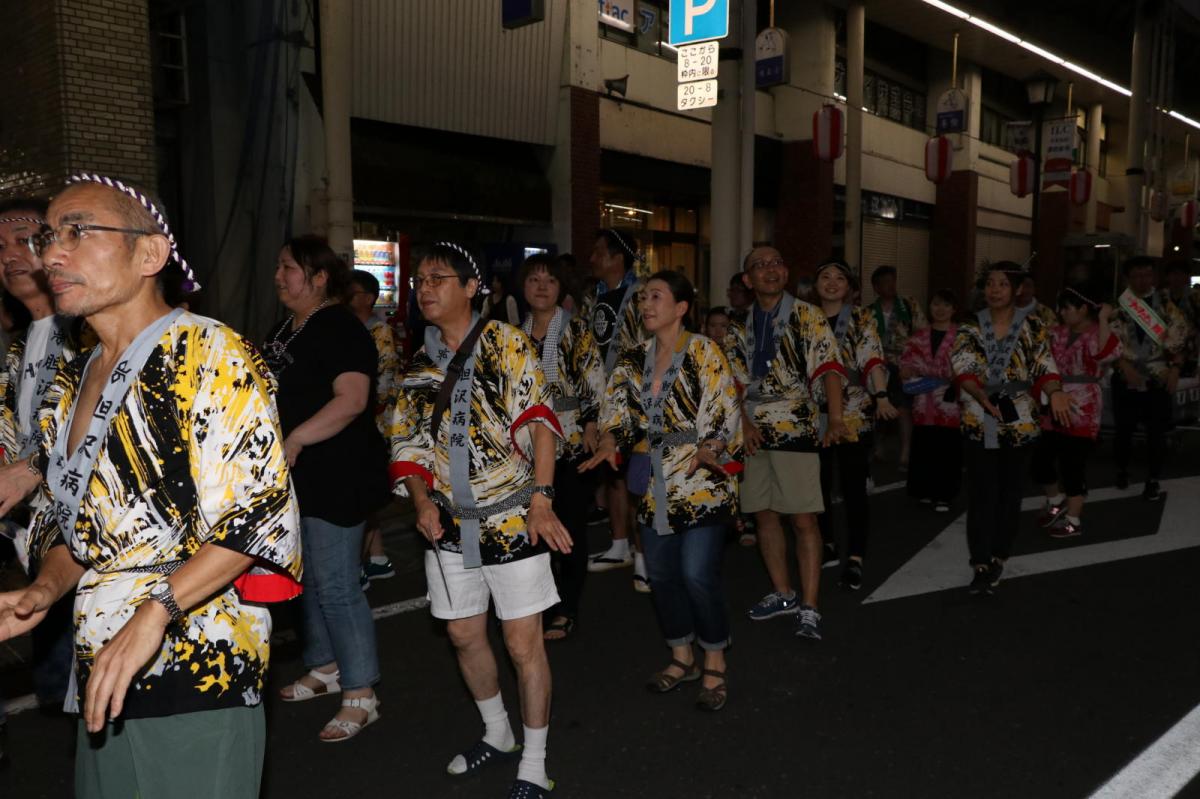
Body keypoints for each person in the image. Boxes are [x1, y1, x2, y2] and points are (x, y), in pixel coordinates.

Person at [0, 173, 302, 797]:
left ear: (149, 254)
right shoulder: (78, 377)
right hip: (104, 663)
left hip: (198, 665)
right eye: (51, 236)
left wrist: (153, 614)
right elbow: (74, 524)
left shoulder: (211, 353)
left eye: (79, 232)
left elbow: (257, 515)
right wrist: (43, 590)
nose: (51, 253)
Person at [390, 242, 571, 798]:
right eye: (419, 280)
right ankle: (498, 733)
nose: (425, 288)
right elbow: (409, 445)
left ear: (472, 288)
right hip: (448, 523)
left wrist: (542, 499)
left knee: (523, 644)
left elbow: (540, 422)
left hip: (514, 516)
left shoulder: (507, 344)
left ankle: (535, 760)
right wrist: (420, 501)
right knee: (464, 634)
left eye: (439, 278)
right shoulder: (419, 367)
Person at [582, 270, 741, 711]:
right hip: (655, 483)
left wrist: (711, 446)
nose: (646, 304)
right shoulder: (633, 359)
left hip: (702, 480)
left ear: (682, 307)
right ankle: (681, 655)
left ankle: (715, 658)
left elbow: (724, 408)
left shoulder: (704, 351)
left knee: (696, 574)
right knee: (663, 575)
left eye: (657, 296)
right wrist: (611, 440)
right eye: (643, 298)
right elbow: (616, 413)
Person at [269, 236, 387, 742]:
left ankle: (362, 693)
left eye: (289, 268)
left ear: (319, 278)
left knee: (338, 585)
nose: (279, 276)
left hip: (338, 471)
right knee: (312, 577)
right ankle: (324, 666)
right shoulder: (288, 328)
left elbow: (353, 399)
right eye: (279, 267)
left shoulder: (339, 326)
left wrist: (296, 436)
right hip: (301, 475)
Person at [727, 246, 846, 640]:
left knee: (804, 518)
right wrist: (742, 425)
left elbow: (829, 366)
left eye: (776, 262)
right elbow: (733, 387)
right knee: (763, 514)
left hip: (795, 423)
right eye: (759, 266)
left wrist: (837, 418)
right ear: (747, 280)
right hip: (753, 432)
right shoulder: (739, 326)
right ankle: (783, 593)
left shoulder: (807, 315)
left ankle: (810, 606)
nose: (770, 270)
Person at [0, 199, 81, 710]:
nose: (10, 255)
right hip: (40, 545)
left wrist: (31, 469)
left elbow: (98, 428)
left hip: (91, 547)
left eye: (25, 239)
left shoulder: (87, 331)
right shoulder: (18, 345)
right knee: (61, 690)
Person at [951, 262, 1069, 595]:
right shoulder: (971, 325)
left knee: (1009, 492)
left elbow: (1044, 364)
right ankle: (980, 562)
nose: (995, 290)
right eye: (990, 283)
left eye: (1003, 284)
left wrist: (1055, 391)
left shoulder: (1032, 325)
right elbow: (962, 364)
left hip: (1018, 419)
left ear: (1017, 289)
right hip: (981, 416)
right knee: (982, 492)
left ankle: (1000, 555)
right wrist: (979, 394)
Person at [519, 254, 605, 641]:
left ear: (561, 288)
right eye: (534, 279)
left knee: (568, 529)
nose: (541, 286)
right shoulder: (511, 335)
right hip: (524, 449)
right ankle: (540, 604)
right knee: (532, 532)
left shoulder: (576, 330)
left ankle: (566, 607)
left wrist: (591, 423)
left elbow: (594, 381)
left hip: (570, 444)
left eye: (549, 281)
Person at [812, 260, 896, 591]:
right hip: (812, 413)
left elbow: (872, 357)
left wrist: (882, 395)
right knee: (816, 486)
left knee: (852, 488)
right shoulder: (805, 317)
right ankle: (827, 543)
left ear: (850, 287)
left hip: (852, 412)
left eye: (839, 278)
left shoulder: (861, 318)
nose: (832, 282)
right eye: (825, 276)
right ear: (815, 284)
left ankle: (856, 556)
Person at [584, 229, 649, 591]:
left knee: (638, 477)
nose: (592, 259)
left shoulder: (640, 294)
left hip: (634, 396)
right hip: (604, 395)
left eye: (598, 252)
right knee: (613, 474)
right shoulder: (595, 295)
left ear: (616, 258)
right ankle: (620, 544)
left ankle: (644, 555)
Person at [1032, 289, 1121, 537]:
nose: (1061, 312)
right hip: (1053, 399)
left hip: (1084, 406)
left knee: (1073, 464)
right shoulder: (1055, 332)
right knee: (1040, 460)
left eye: (1067, 308)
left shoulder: (1097, 333)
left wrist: (1103, 319)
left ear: (1083, 309)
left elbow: (1107, 354)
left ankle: (1073, 519)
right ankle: (1055, 499)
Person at [1109, 256, 1189, 500]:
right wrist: (1122, 364)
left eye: (1147, 274)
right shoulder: (1119, 306)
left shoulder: (1165, 304)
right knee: (1123, 429)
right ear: (1127, 278)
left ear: (1153, 277)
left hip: (1158, 375)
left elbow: (1180, 338)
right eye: (1136, 275)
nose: (1142, 280)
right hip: (1126, 373)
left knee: (1157, 432)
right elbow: (1108, 342)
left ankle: (1153, 478)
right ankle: (1122, 470)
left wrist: (1175, 370)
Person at [347, 269, 400, 583]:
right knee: (370, 494)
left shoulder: (379, 331)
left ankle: (359, 565)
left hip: (375, 423)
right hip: (366, 419)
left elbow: (381, 382)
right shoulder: (354, 327)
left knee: (366, 492)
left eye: (352, 292)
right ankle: (378, 559)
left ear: (368, 297)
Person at [900, 289, 963, 513]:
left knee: (947, 447)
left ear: (954, 309)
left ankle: (944, 494)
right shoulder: (918, 336)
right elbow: (906, 364)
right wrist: (911, 371)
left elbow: (966, 366)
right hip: (922, 399)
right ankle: (923, 491)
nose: (940, 309)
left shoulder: (961, 336)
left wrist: (946, 378)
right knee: (924, 445)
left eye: (946, 305)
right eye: (936, 304)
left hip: (950, 400)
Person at [868, 265, 927, 469]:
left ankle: (905, 451)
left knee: (904, 408)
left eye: (892, 281)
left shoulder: (909, 305)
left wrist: (914, 362)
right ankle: (879, 447)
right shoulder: (868, 312)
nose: (889, 286)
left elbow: (922, 335)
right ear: (875, 287)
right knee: (879, 407)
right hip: (879, 367)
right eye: (884, 282)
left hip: (904, 365)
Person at [1162, 259, 1197, 378]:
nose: (1177, 277)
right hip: (1165, 351)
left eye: (1182, 274)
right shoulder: (1160, 298)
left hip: (1191, 351)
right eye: (1174, 274)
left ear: (1187, 276)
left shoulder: (1196, 298)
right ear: (1167, 277)